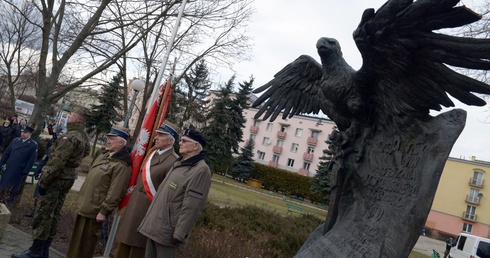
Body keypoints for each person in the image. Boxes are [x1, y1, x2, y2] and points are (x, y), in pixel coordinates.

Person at [12, 107, 90, 258]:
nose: (69, 117)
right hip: (67, 177)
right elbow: (84, 153)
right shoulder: (83, 136)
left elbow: (57, 162)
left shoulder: (71, 137)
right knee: (54, 213)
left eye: (72, 115)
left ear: (79, 119)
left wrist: (44, 181)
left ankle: (35, 251)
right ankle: (44, 250)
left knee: (44, 212)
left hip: (56, 178)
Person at [138, 128, 211, 258]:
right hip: (156, 226)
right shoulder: (179, 162)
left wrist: (180, 233)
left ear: (195, 146)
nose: (180, 143)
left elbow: (192, 206)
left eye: (184, 141)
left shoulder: (201, 170)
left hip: (169, 232)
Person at [115, 123, 180, 258]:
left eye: (161, 135)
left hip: (146, 211)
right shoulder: (152, 153)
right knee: (124, 246)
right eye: (157, 134)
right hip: (134, 206)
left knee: (136, 249)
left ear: (170, 140)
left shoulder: (173, 161)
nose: (156, 137)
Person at [66, 127, 132, 258]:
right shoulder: (104, 155)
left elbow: (116, 191)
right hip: (86, 205)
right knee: (76, 244)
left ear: (121, 143)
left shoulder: (122, 164)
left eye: (112, 139)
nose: (108, 141)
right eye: (108, 138)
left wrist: (104, 211)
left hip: (96, 210)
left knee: (85, 245)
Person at [0, 125, 37, 207]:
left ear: (30, 134)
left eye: (25, 132)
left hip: (19, 170)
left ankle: (8, 205)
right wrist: (2, 163)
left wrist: (25, 171)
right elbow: (6, 153)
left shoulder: (32, 145)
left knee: (12, 189)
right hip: (8, 167)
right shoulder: (15, 140)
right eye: (22, 132)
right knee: (3, 185)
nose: (22, 134)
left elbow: (31, 160)